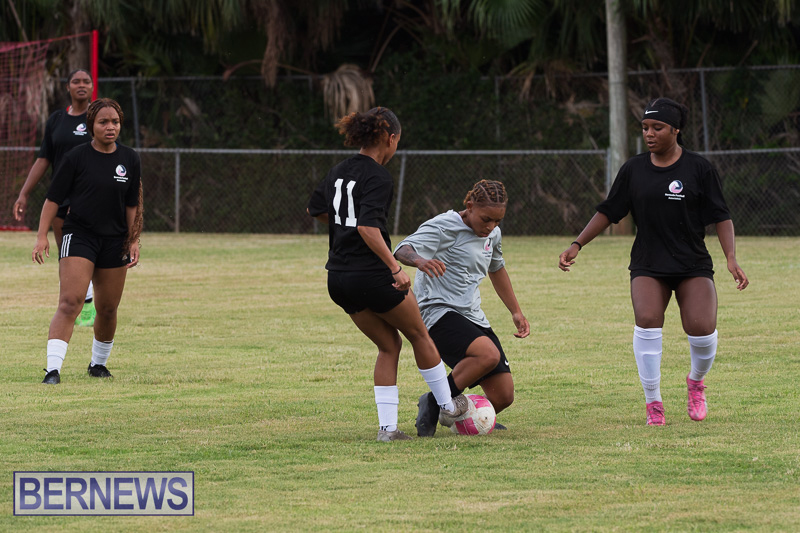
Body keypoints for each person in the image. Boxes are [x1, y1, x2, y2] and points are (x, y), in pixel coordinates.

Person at [558, 97, 748, 426]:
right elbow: (609, 210)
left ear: (676, 130)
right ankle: (653, 403)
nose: (649, 133)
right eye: (645, 127)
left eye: (657, 127)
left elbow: (721, 216)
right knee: (647, 319)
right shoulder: (633, 169)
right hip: (648, 262)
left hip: (692, 262)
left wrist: (731, 258)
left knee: (702, 329)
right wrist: (578, 244)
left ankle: (696, 382)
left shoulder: (699, 169)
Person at [307, 106, 468, 442]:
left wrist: (343, 226)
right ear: (389, 138)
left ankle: (388, 429)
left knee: (388, 346)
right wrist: (395, 268)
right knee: (419, 335)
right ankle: (449, 408)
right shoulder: (378, 176)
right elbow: (367, 227)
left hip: (337, 278)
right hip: (371, 275)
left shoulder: (338, 170)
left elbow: (316, 209)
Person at [394, 179, 530, 437]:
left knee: (503, 396)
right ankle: (435, 403)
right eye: (486, 219)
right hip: (436, 311)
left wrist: (516, 311)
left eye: (497, 221)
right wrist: (420, 260)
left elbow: (497, 268)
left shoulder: (492, 234)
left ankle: (468, 415)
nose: (490, 227)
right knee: (487, 355)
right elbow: (402, 249)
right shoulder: (444, 226)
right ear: (469, 206)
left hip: (471, 314)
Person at [33, 98, 142, 385]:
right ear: (91, 124)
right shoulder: (75, 157)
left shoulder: (130, 158)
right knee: (71, 302)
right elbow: (53, 199)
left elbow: (132, 204)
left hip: (115, 241)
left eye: (115, 122)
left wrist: (133, 239)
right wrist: (42, 235)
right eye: (103, 122)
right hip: (79, 235)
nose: (110, 127)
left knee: (107, 308)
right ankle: (52, 370)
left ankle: (98, 365)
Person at [14, 69, 97, 327]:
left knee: (93, 253)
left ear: (93, 86)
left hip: (91, 197)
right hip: (61, 198)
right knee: (67, 255)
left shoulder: (99, 117)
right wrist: (24, 193)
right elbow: (44, 159)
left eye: (86, 81)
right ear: (67, 87)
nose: (81, 85)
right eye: (76, 81)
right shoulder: (57, 120)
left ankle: (91, 297)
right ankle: (79, 301)